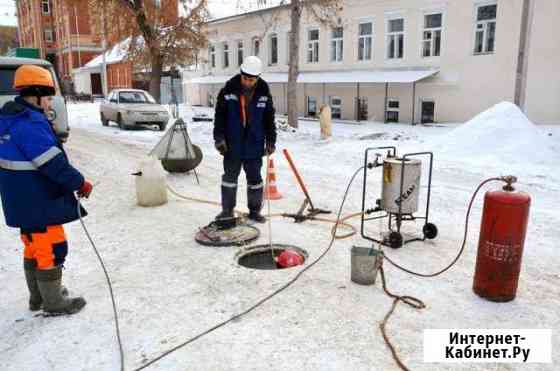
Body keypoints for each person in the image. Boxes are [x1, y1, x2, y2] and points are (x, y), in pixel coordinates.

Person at [0, 65, 93, 315]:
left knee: (33, 246)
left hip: (22, 200)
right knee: (52, 247)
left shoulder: (8, 119)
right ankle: (53, 303)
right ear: (37, 93)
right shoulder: (28, 123)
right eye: (49, 97)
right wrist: (80, 182)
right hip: (37, 199)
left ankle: (39, 298)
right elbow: (52, 163)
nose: (51, 103)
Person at [213, 56, 277, 223]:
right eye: (245, 78)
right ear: (241, 74)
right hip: (232, 145)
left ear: (257, 78)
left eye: (251, 79)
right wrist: (219, 138)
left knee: (255, 181)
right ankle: (227, 211)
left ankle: (254, 211)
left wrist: (271, 140)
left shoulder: (264, 92)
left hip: (254, 145)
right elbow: (219, 117)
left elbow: (269, 118)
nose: (247, 82)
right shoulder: (228, 90)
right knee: (229, 179)